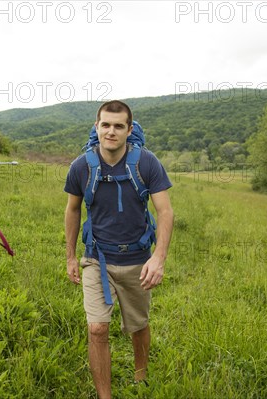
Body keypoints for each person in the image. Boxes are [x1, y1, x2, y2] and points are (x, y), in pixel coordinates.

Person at [64, 100, 174, 398]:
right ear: (96, 127)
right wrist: (71, 256)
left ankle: (141, 377)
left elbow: (165, 211)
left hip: (138, 259)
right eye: (105, 125)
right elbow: (73, 210)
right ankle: (105, 395)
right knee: (97, 329)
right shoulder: (81, 166)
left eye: (118, 126)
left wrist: (158, 257)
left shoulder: (146, 162)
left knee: (138, 324)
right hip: (96, 258)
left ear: (128, 129)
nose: (111, 131)